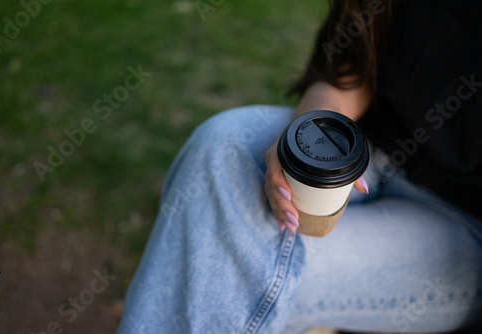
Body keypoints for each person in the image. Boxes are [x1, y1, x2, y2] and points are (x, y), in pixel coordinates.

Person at [117, 0, 482, 333]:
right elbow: (352, 66)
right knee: (222, 145)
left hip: (460, 228)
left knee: (218, 269)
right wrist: (307, 136)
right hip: (361, 142)